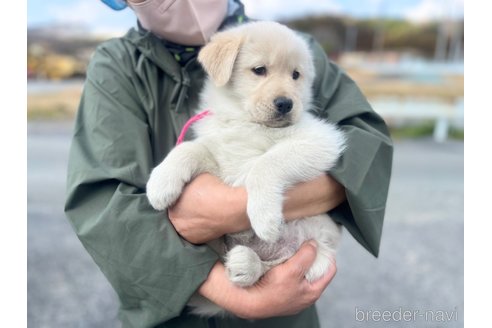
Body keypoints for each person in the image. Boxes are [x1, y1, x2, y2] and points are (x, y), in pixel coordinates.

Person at [64, 0, 393, 327]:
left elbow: (365, 145)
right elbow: (102, 204)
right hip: (172, 317)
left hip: (283, 310)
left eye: (294, 77)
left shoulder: (291, 44)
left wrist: (232, 206)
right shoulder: (118, 64)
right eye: (260, 71)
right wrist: (233, 294)